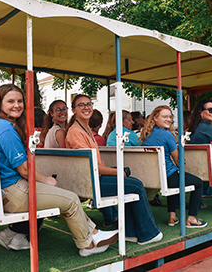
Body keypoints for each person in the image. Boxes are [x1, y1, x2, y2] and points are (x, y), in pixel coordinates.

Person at [0, 84, 118, 256]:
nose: (17, 105)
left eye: (20, 101)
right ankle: (87, 245)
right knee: (72, 199)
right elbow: (24, 171)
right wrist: (45, 180)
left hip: (4, 191)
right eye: (11, 101)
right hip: (15, 193)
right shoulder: (5, 130)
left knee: (61, 194)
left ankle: (95, 233)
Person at [65, 94, 163, 245]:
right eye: (81, 105)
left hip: (92, 177)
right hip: (91, 182)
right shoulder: (76, 132)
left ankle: (130, 232)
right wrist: (118, 172)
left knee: (129, 179)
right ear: (74, 110)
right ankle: (148, 233)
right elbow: (91, 167)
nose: (86, 107)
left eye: (88, 104)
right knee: (135, 185)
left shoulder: (85, 129)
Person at [141, 106, 207, 228]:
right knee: (198, 183)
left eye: (170, 117)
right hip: (168, 177)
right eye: (164, 116)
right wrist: (184, 162)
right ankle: (191, 219)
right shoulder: (167, 135)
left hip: (154, 177)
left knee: (175, 177)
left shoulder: (146, 134)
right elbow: (178, 160)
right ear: (155, 118)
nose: (169, 119)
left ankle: (172, 217)